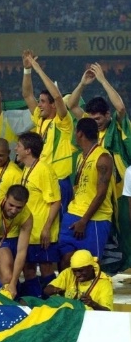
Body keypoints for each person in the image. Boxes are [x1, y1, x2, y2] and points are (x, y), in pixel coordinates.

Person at [67, 63, 131, 271]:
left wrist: (102, 80)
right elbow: (73, 105)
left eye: (99, 119)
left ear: (107, 115)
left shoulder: (116, 128)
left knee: (126, 230)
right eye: (91, 119)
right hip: (95, 193)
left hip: (119, 192)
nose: (95, 123)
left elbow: (121, 108)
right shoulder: (90, 129)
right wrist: (83, 84)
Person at [22, 50, 74, 213]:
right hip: (40, 176)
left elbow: (58, 97)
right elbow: (27, 95)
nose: (39, 105)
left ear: (53, 105)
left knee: (59, 221)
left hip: (58, 179)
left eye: (43, 102)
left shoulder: (62, 122)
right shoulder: (40, 119)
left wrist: (37, 68)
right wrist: (27, 70)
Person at [58, 118, 114, 269]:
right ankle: (66, 292)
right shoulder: (81, 157)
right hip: (73, 213)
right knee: (65, 259)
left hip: (94, 219)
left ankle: (90, 292)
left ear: (80, 134)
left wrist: (84, 221)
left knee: (90, 265)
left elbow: (101, 193)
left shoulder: (103, 158)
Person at [15, 132, 61, 298]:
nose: (16, 149)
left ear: (28, 150)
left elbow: (56, 201)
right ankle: (34, 302)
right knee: (28, 268)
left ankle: (52, 304)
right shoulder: (26, 169)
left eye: (18, 146)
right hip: (29, 232)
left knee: (46, 267)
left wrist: (47, 228)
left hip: (42, 231)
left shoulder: (44, 170)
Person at [44, 249, 113, 311]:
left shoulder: (104, 283)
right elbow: (47, 290)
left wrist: (92, 304)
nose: (77, 275)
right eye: (75, 271)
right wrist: (57, 290)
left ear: (91, 267)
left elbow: (107, 312)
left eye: (80, 271)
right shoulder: (68, 273)